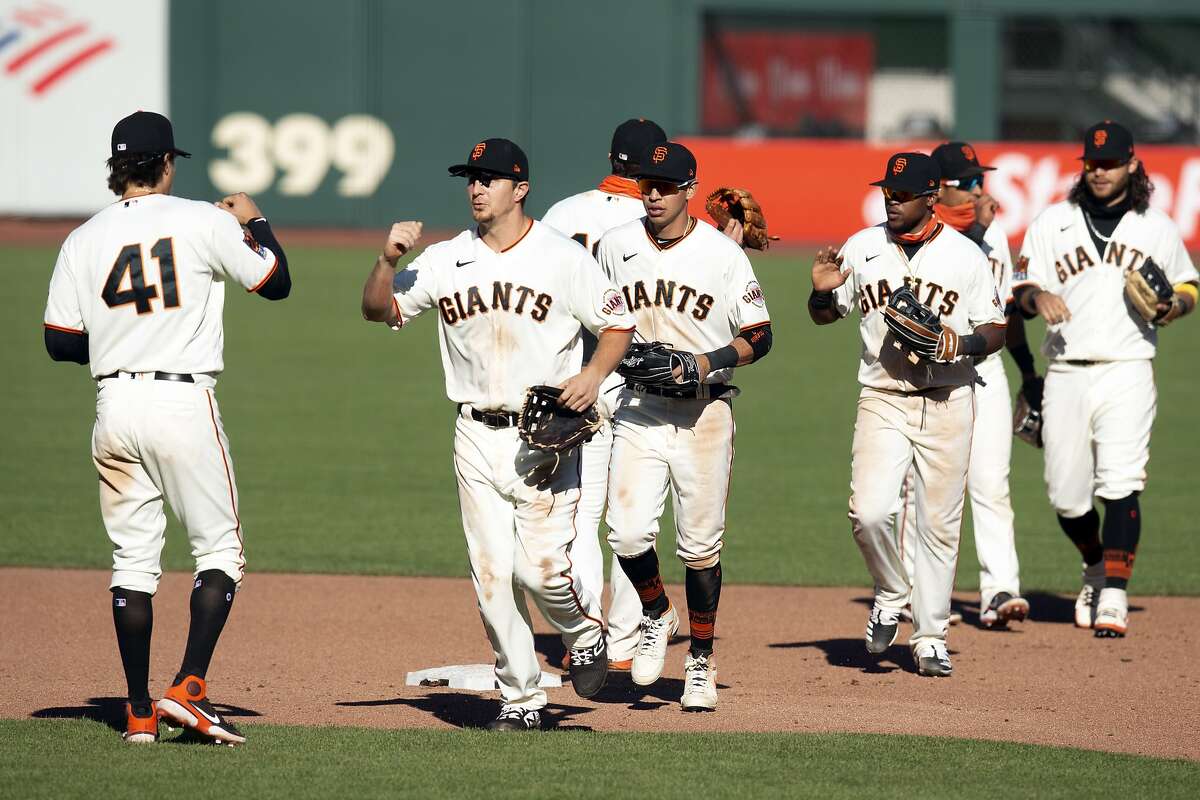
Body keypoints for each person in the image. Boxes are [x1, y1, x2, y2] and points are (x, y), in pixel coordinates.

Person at [360, 137, 635, 731]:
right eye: (471, 177)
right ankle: (522, 698)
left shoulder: (563, 256)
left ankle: (584, 632)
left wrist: (592, 374)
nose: (477, 188)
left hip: (545, 436)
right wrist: (386, 261)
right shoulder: (446, 257)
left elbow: (617, 324)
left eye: (489, 178)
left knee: (537, 572)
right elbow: (380, 311)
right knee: (489, 576)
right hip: (475, 435)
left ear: (521, 188)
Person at [43, 111, 291, 744]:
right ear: (167, 165)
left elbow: (61, 343)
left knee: (133, 562)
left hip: (113, 407)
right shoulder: (203, 220)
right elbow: (275, 282)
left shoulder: (83, 238)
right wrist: (253, 220)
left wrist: (121, 336)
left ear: (117, 169)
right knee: (221, 551)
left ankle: (137, 712)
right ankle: (189, 688)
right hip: (181, 401)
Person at [808, 152, 1005, 677]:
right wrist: (821, 294)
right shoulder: (863, 246)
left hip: (949, 400)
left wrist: (957, 341)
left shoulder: (965, 256)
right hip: (883, 397)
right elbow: (826, 315)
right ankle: (892, 588)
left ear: (930, 196)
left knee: (939, 525)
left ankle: (931, 636)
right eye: (888, 193)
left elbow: (997, 329)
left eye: (903, 194)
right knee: (869, 512)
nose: (892, 201)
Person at [597, 141, 773, 711]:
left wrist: (705, 361)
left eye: (666, 186)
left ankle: (700, 661)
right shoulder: (615, 245)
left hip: (704, 411)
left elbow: (760, 335)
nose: (653, 194)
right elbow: (590, 315)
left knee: (699, 547)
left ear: (689, 190)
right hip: (639, 407)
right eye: (648, 184)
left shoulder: (722, 254)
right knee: (624, 532)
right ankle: (655, 612)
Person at [1013, 121, 1198, 638]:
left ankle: (1114, 592)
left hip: (1128, 368)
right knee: (1067, 497)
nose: (1099, 171)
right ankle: (1095, 565)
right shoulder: (1054, 221)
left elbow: (1188, 284)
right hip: (1066, 372)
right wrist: (1035, 299)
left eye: (1110, 163)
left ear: (1132, 164)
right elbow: (1021, 284)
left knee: (1120, 483)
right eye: (1092, 163)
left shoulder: (1154, 226)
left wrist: (1173, 306)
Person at [541, 118, 668, 672]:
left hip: (581, 376)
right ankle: (622, 640)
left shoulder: (565, 213)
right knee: (629, 514)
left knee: (582, 512)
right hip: (644, 379)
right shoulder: (659, 220)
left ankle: (583, 635)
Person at [893, 142, 1033, 629]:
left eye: (981, 180)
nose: (979, 188)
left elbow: (1006, 314)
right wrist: (977, 227)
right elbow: (949, 270)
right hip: (932, 375)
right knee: (922, 485)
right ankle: (916, 592)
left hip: (986, 370)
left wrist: (1029, 373)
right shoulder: (917, 236)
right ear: (940, 189)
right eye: (968, 182)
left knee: (991, 483)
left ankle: (1000, 590)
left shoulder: (993, 235)